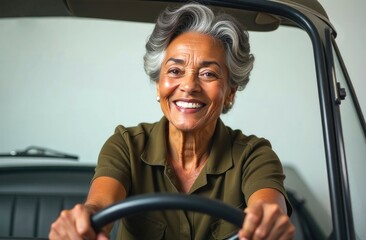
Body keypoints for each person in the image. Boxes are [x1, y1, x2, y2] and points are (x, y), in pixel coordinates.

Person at [49, 3, 295, 240]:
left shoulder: (254, 154)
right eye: (175, 71)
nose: (189, 86)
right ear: (159, 85)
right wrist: (82, 221)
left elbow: (269, 209)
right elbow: (98, 206)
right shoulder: (126, 145)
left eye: (208, 73)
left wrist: (268, 223)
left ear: (230, 93)